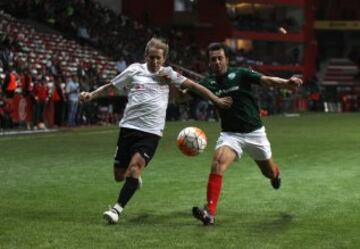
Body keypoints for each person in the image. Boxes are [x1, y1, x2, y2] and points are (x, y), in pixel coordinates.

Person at [80, 38, 232, 224]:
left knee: (135, 168)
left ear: (164, 58)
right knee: (120, 176)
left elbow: (194, 86)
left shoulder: (168, 74)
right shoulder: (135, 69)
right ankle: (134, 182)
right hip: (128, 128)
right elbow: (112, 86)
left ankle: (116, 209)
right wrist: (91, 95)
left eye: (158, 58)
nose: (154, 61)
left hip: (151, 132)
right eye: (151, 57)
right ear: (146, 56)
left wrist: (215, 100)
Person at [192, 42, 303, 225]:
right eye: (213, 59)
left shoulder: (241, 73)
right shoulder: (207, 83)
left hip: (255, 133)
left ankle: (275, 174)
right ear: (209, 63)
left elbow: (266, 80)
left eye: (220, 58)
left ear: (227, 59)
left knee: (268, 172)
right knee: (218, 162)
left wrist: (286, 83)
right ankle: (210, 212)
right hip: (230, 135)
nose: (217, 62)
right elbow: (183, 94)